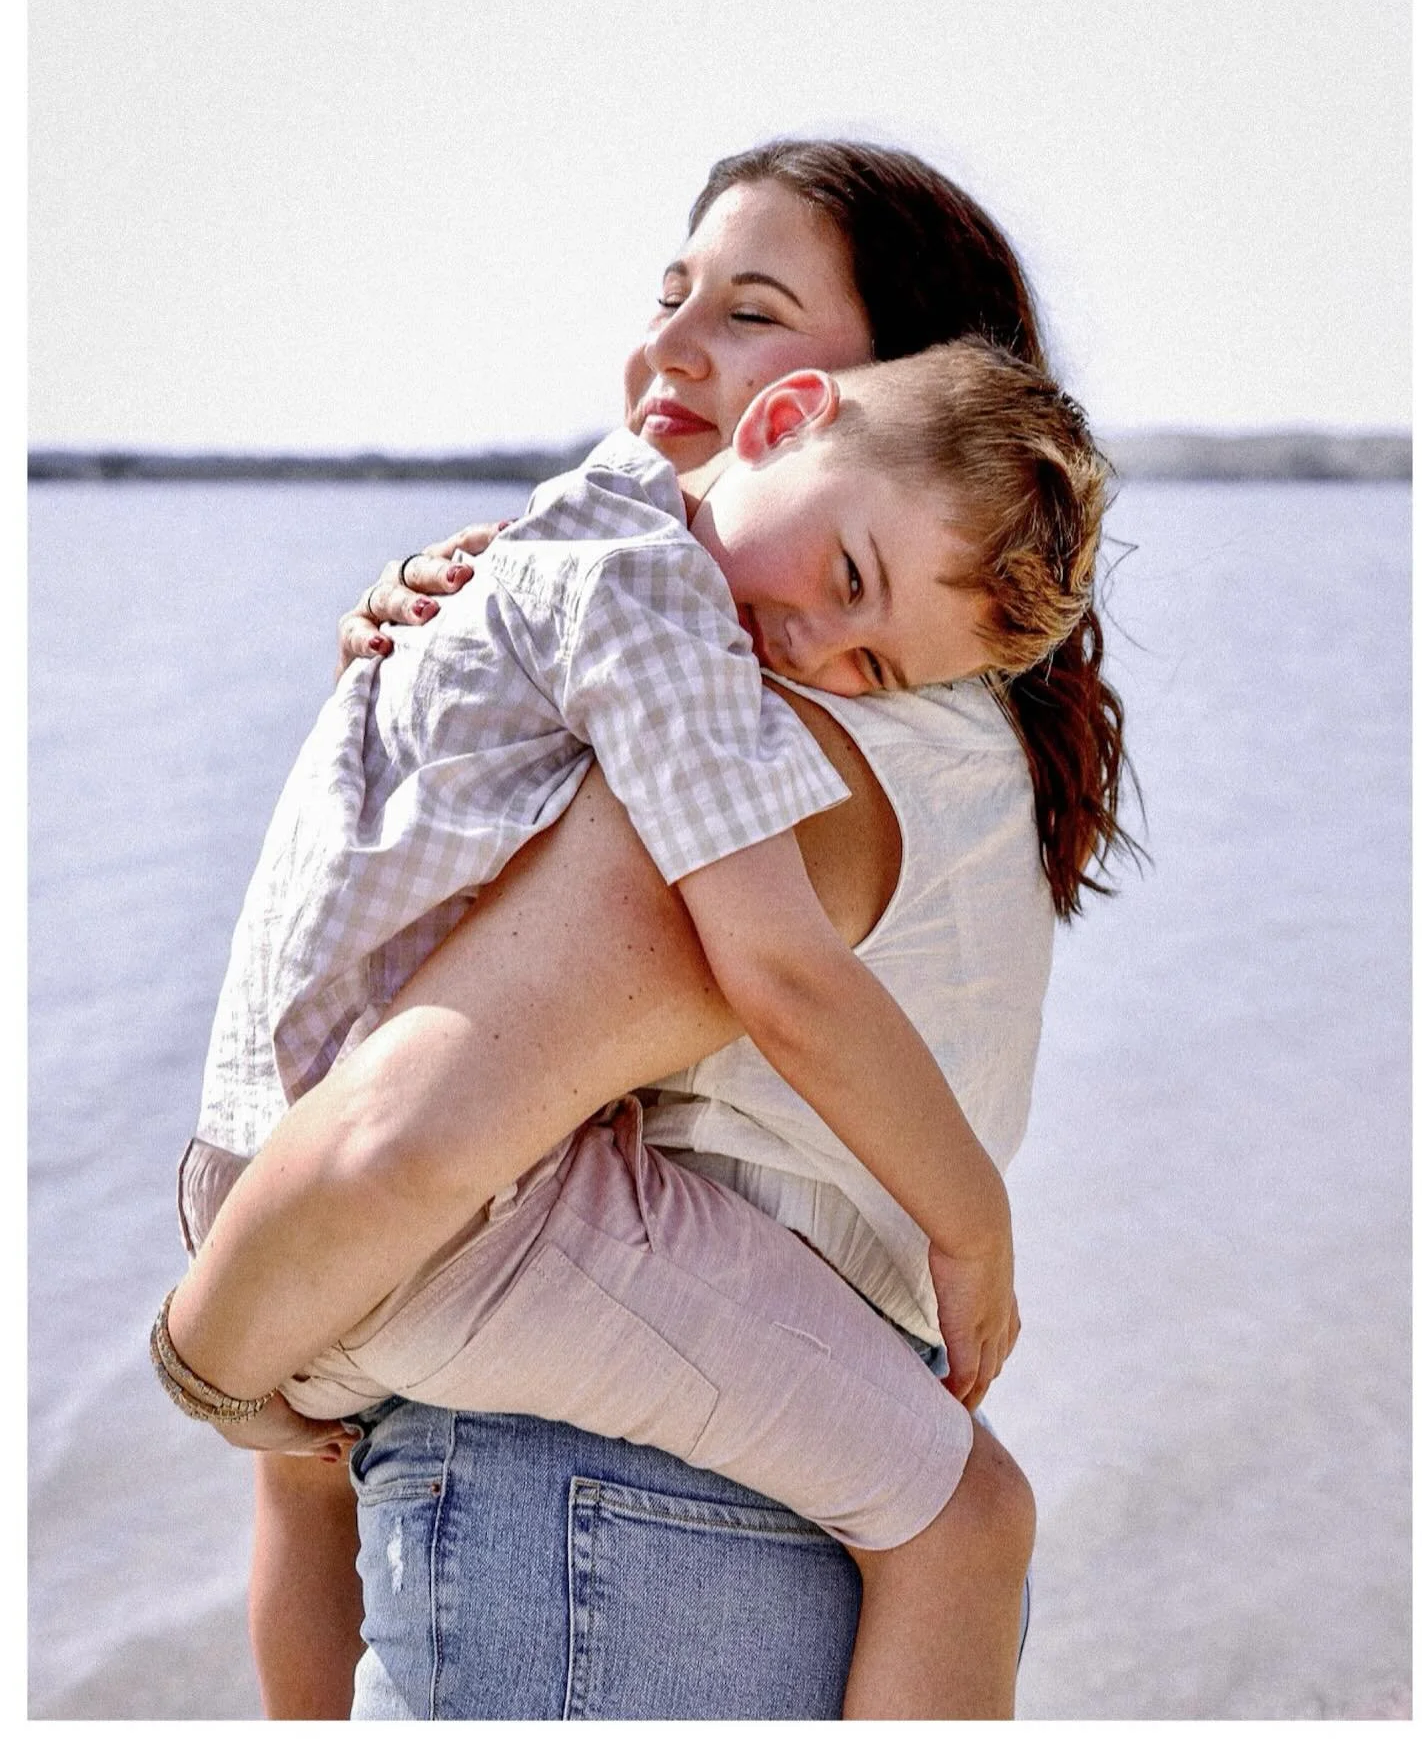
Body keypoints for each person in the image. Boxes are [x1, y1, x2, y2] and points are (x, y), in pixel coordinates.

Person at [176, 139, 1137, 1719]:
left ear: (886, 381)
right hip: (650, 1465)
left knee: (296, 1482)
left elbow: (404, 1129)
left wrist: (213, 1346)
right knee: (968, 1518)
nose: (674, 347)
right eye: (672, 291)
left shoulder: (773, 702)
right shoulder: (894, 706)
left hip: (594, 1501)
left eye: (753, 309)